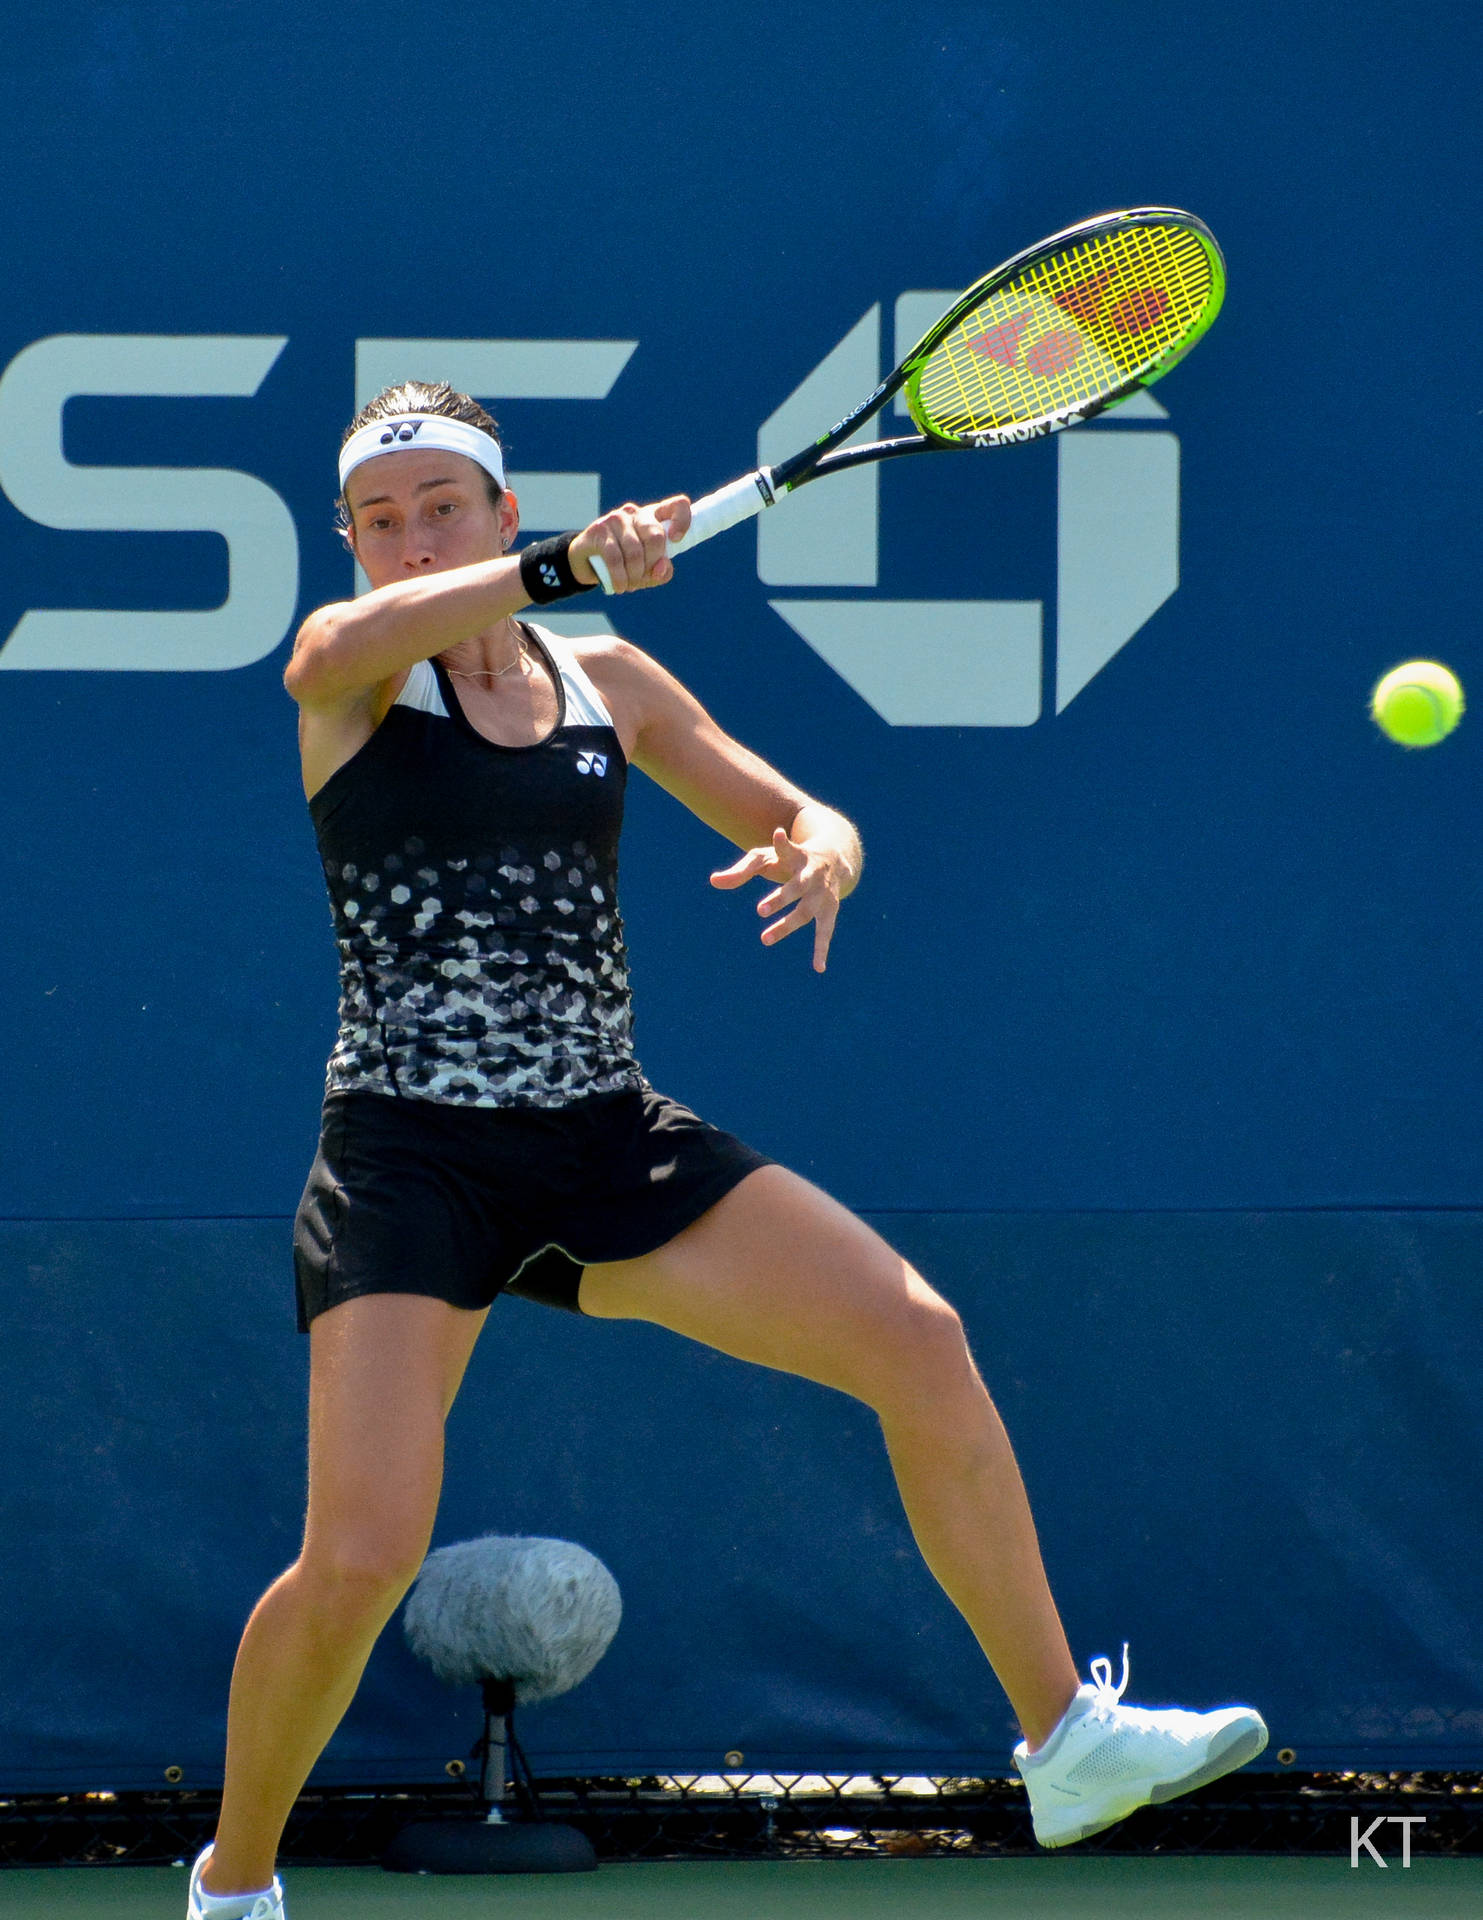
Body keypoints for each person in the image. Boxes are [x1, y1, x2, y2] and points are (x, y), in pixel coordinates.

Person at [187, 383, 1266, 1919]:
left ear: (500, 509)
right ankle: (233, 1883)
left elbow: (793, 807)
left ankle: (1065, 1738)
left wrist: (823, 845)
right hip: (409, 1159)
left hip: (605, 1141)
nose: (410, 538)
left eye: (446, 506)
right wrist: (562, 564)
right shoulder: (352, 684)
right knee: (359, 1560)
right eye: (380, 520)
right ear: (356, 546)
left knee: (917, 1337)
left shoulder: (607, 679)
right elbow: (322, 649)